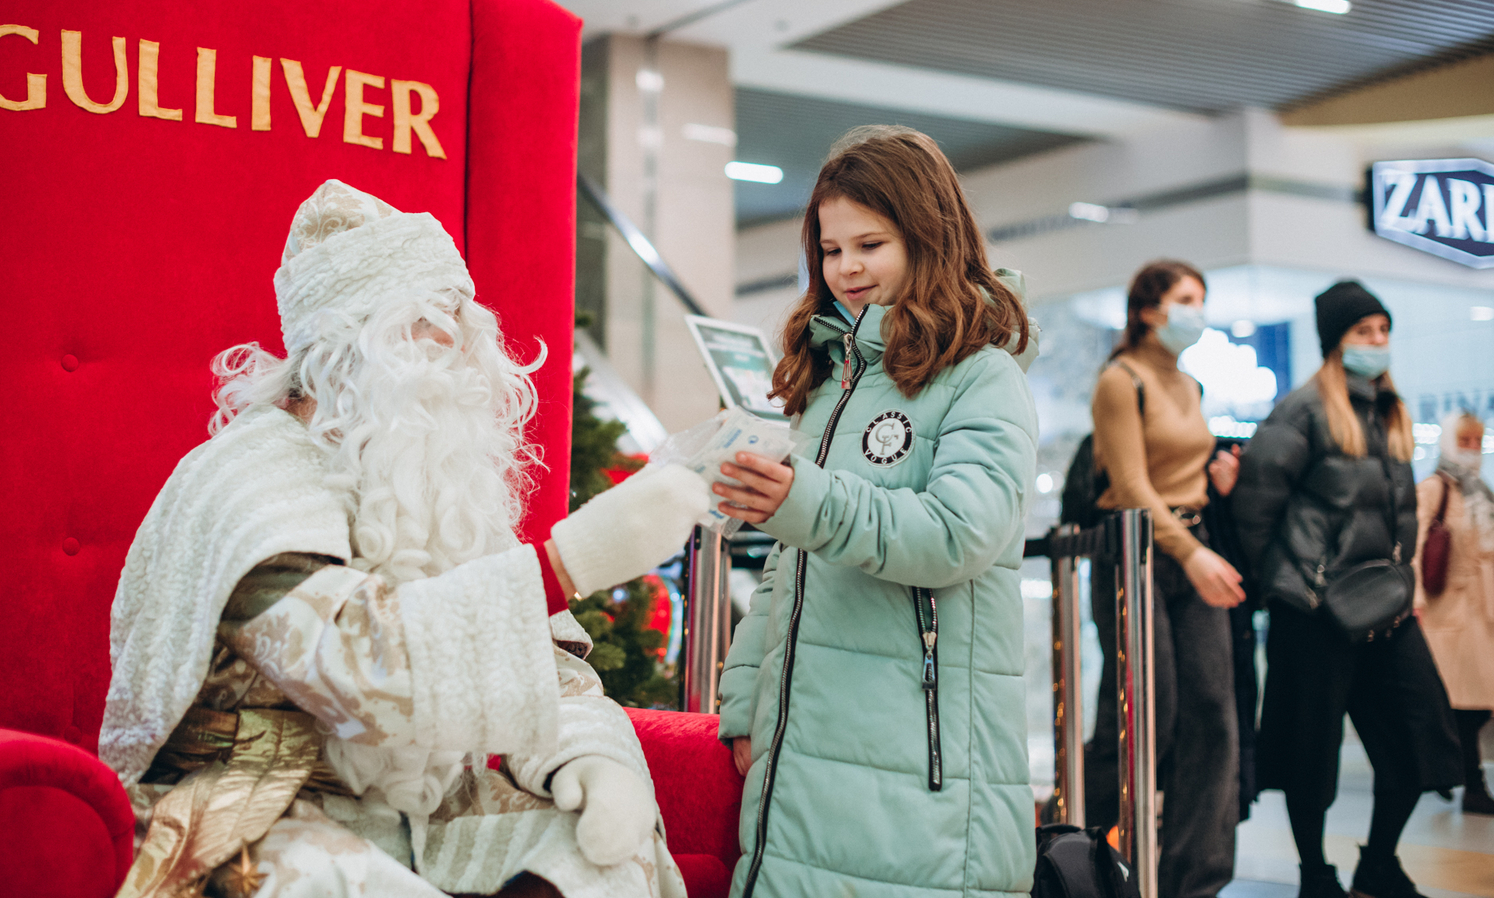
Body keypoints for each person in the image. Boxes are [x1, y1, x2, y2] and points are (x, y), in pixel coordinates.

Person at [100, 180, 712, 898]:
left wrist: (591, 760)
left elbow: (549, 668)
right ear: (341, 347)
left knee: (604, 856)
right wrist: (569, 562)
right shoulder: (247, 480)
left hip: (416, 813)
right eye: (427, 320)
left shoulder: (427, 481)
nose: (455, 342)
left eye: (461, 316)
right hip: (256, 806)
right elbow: (357, 666)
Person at [713, 126, 1040, 898]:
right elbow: (792, 566)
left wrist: (806, 500)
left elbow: (958, 536)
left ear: (930, 238)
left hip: (918, 773)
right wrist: (742, 700)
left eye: (872, 243)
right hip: (805, 749)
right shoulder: (832, 379)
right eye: (830, 250)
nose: (847, 268)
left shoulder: (982, 378)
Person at [1235, 280, 1460, 898]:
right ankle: (1315, 876)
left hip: (1386, 607)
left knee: (1424, 738)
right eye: (1365, 332)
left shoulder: (1392, 410)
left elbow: (1403, 513)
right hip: (1313, 611)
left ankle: (1378, 863)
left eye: (1384, 331)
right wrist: (1293, 584)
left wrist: (1404, 579)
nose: (1378, 342)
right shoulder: (1303, 410)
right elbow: (1255, 508)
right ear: (1336, 341)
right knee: (1311, 755)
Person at [1082, 260, 1243, 898]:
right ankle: (1086, 858)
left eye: (1201, 299)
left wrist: (1215, 486)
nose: (1196, 311)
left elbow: (1181, 475)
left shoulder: (1192, 386)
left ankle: (1194, 881)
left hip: (1188, 541)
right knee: (1148, 714)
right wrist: (1191, 554)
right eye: (1185, 299)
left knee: (1215, 717)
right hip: (1135, 551)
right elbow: (1130, 487)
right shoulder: (1120, 380)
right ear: (1149, 310)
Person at [1414, 412, 1494, 814]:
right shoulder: (1434, 489)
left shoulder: (1482, 491)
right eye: (1463, 440)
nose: (1471, 448)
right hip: (1448, 613)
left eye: (1476, 440)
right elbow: (1413, 545)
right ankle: (1470, 782)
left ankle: (1449, 770)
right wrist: (1415, 602)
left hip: (1483, 614)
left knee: (1477, 706)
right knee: (1458, 706)